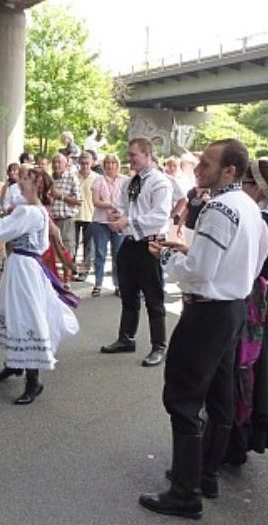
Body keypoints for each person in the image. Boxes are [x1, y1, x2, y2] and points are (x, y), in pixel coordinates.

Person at [139, 139, 268, 519]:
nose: (198, 168)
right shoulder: (248, 205)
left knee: (182, 398)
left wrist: (167, 254)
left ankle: (185, 492)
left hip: (208, 312)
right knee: (219, 394)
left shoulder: (218, 208)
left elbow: (198, 272)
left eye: (207, 163)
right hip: (232, 308)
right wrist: (223, 269)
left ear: (230, 171)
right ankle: (205, 473)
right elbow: (258, 254)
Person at [0, 166, 80, 404]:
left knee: (26, 317)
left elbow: (1, 229)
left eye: (27, 178)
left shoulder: (30, 212)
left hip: (25, 268)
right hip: (20, 265)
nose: (21, 181)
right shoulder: (30, 208)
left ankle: (33, 380)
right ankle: (13, 363)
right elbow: (5, 222)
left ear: (37, 184)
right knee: (11, 313)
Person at [222, 157, 268, 465]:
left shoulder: (263, 218)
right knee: (247, 374)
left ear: (256, 187)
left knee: (241, 372)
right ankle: (235, 441)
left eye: (244, 182)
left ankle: (233, 442)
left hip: (252, 302)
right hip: (260, 300)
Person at [100, 137, 172, 367]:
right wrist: (115, 216)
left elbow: (160, 215)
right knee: (128, 293)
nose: (130, 159)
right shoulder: (131, 182)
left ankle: (159, 345)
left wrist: (126, 221)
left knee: (153, 297)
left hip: (149, 243)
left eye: (134, 155)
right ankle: (126, 338)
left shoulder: (160, 182)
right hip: (130, 242)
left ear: (148, 154)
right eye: (129, 154)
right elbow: (122, 206)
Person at [91, 154, 128, 297]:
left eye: (113, 162)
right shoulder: (98, 180)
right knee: (100, 253)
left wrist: (119, 212)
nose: (110, 165)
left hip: (118, 221)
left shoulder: (125, 180)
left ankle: (118, 284)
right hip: (100, 221)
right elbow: (96, 201)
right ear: (104, 165)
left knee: (118, 254)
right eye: (107, 162)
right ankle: (98, 283)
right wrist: (113, 205)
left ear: (117, 164)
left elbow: (128, 201)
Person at [50, 153, 82, 284]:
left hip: (66, 219)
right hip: (51, 219)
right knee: (50, 250)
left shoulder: (72, 179)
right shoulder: (49, 179)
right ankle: (52, 279)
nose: (56, 165)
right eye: (54, 162)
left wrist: (61, 196)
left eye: (59, 162)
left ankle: (67, 280)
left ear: (66, 164)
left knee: (66, 249)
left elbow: (79, 201)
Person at [74, 152, 98, 282]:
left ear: (92, 163)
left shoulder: (97, 178)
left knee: (89, 247)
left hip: (91, 215)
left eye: (87, 163)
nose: (85, 166)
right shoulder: (73, 177)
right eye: (82, 163)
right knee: (73, 244)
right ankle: (72, 268)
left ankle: (84, 271)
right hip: (74, 215)